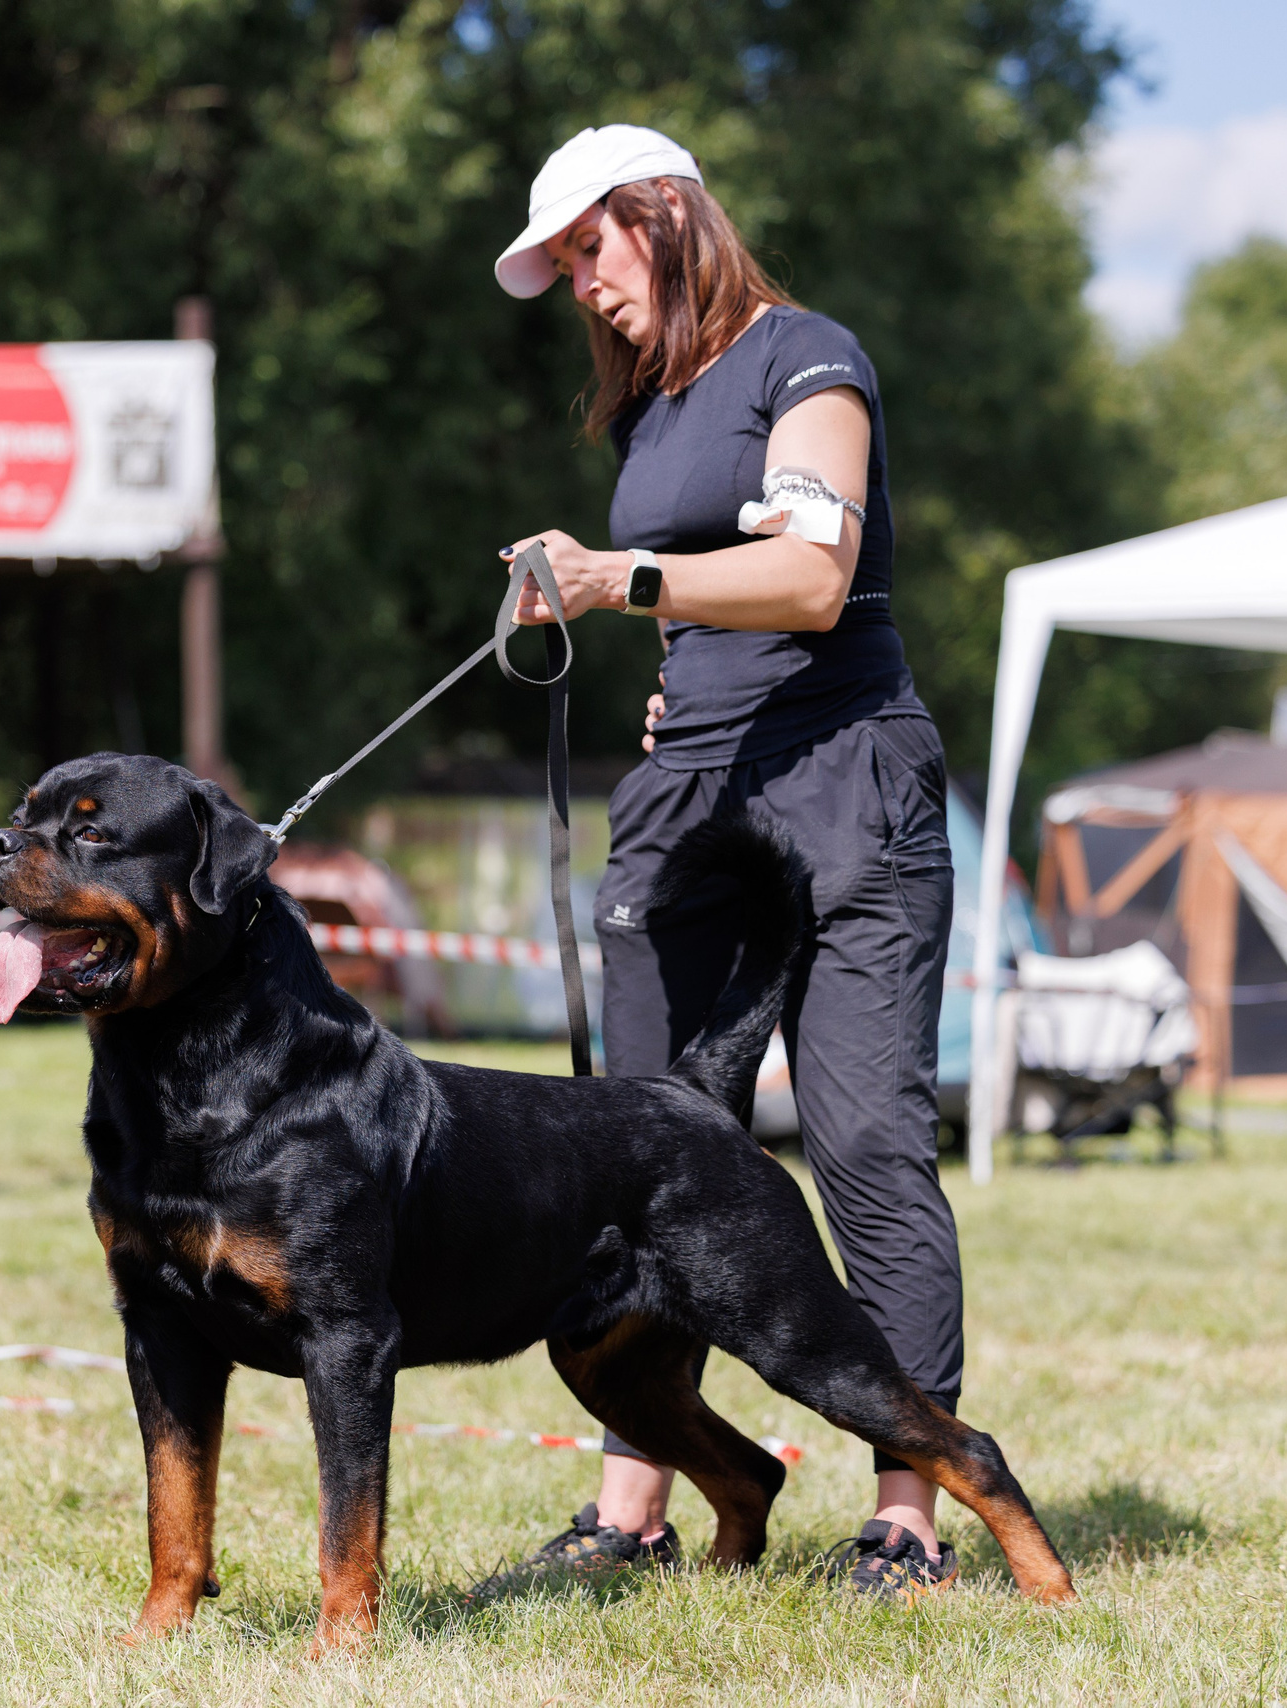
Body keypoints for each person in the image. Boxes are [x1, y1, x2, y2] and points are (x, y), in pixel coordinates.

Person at [484, 127, 966, 1601]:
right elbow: (713, 603)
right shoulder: (654, 407)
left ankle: (909, 1512)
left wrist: (620, 579)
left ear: (666, 212)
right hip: (690, 803)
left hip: (846, 788)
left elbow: (814, 578)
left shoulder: (805, 360)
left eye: (591, 246)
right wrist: (683, 684)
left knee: (864, 1143)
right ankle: (631, 1509)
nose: (583, 285)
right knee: (641, 1155)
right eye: (564, 266)